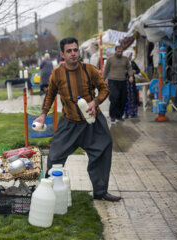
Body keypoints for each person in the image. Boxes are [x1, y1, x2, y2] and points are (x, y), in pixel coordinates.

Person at [34, 37, 121, 202]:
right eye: (69, 51)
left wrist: (95, 102)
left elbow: (104, 89)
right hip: (69, 123)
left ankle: (100, 192)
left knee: (103, 150)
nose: (73, 54)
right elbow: (50, 94)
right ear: (63, 54)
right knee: (54, 156)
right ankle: (48, 192)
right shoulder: (57, 74)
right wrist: (43, 114)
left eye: (75, 50)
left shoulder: (90, 70)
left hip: (92, 122)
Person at [103, 46, 133, 124]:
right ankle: (112, 117)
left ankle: (119, 116)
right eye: (118, 51)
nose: (119, 53)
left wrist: (131, 75)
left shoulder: (125, 59)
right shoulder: (110, 59)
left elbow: (129, 68)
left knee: (122, 99)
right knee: (114, 98)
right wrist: (103, 79)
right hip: (113, 81)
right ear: (115, 51)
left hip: (123, 81)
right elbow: (106, 70)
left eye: (121, 51)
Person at [125, 53, 140, 118]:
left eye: (131, 55)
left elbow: (138, 70)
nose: (130, 57)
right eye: (129, 55)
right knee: (126, 97)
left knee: (133, 97)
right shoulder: (123, 63)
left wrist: (135, 71)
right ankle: (126, 113)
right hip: (125, 82)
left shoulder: (133, 63)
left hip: (132, 83)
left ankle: (133, 113)